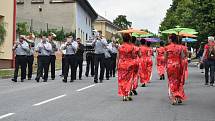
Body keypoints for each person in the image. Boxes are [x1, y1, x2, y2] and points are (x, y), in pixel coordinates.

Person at [165, 34, 187, 105]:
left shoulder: (167, 47)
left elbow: (165, 58)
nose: (168, 40)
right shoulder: (180, 47)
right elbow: (183, 57)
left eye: (168, 38)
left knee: (172, 81)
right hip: (178, 65)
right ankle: (178, 97)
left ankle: (174, 98)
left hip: (170, 66)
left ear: (171, 39)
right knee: (178, 81)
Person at [117, 34, 138, 101]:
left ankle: (123, 95)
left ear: (123, 39)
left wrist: (116, 65)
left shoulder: (120, 47)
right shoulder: (131, 47)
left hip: (121, 64)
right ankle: (128, 94)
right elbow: (133, 57)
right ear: (129, 39)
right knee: (129, 80)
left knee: (122, 80)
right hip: (129, 65)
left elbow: (117, 57)